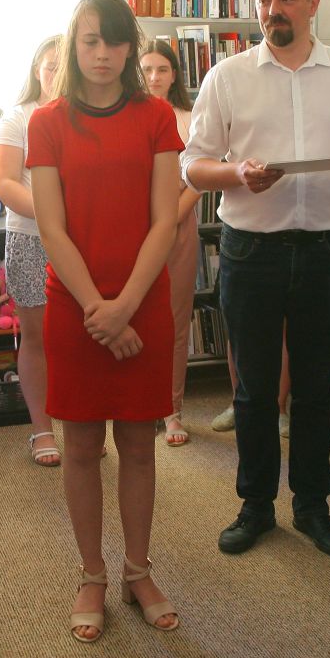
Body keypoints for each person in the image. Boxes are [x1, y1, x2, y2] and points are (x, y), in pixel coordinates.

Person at [183, 0, 330, 557]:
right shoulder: (227, 76)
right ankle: (255, 505)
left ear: (314, 3)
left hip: (326, 246)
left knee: (316, 389)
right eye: (265, 0)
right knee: (253, 389)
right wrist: (237, 174)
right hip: (251, 249)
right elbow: (193, 167)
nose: (273, 10)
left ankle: (313, 505)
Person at [28, 0, 180, 642]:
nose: (102, 53)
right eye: (90, 40)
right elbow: (51, 228)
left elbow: (165, 219)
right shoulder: (47, 122)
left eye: (115, 41)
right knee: (83, 447)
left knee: (140, 446)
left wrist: (124, 307)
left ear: (130, 48)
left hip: (143, 302)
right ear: (73, 44)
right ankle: (91, 572)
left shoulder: (157, 116)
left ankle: (137, 569)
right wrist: (99, 309)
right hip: (77, 307)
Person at [0, 35, 63, 467]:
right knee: (37, 338)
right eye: (51, 64)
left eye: (65, 63)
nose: (58, 72)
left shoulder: (86, 115)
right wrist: (54, 215)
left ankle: (83, 423)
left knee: (81, 339)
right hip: (32, 239)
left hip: (83, 241)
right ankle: (42, 429)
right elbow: (4, 184)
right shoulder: (18, 118)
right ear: (37, 69)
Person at [139, 38, 197, 446]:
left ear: (174, 74)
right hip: (134, 227)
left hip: (178, 224)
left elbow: (198, 176)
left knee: (175, 320)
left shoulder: (190, 118)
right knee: (135, 317)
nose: (155, 77)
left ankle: (172, 409)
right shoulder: (128, 115)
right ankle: (138, 404)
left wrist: (171, 217)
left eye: (162, 69)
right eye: (147, 70)